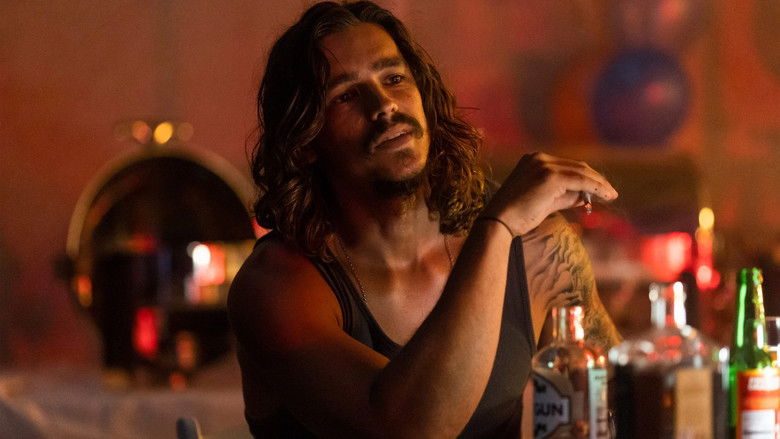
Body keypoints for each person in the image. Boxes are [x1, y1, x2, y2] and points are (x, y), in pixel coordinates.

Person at [227, 1, 621, 437]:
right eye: (346, 96)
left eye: (394, 79)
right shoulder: (276, 286)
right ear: (305, 140)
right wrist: (496, 231)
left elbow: (619, 404)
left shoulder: (539, 249)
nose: (384, 105)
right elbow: (407, 431)